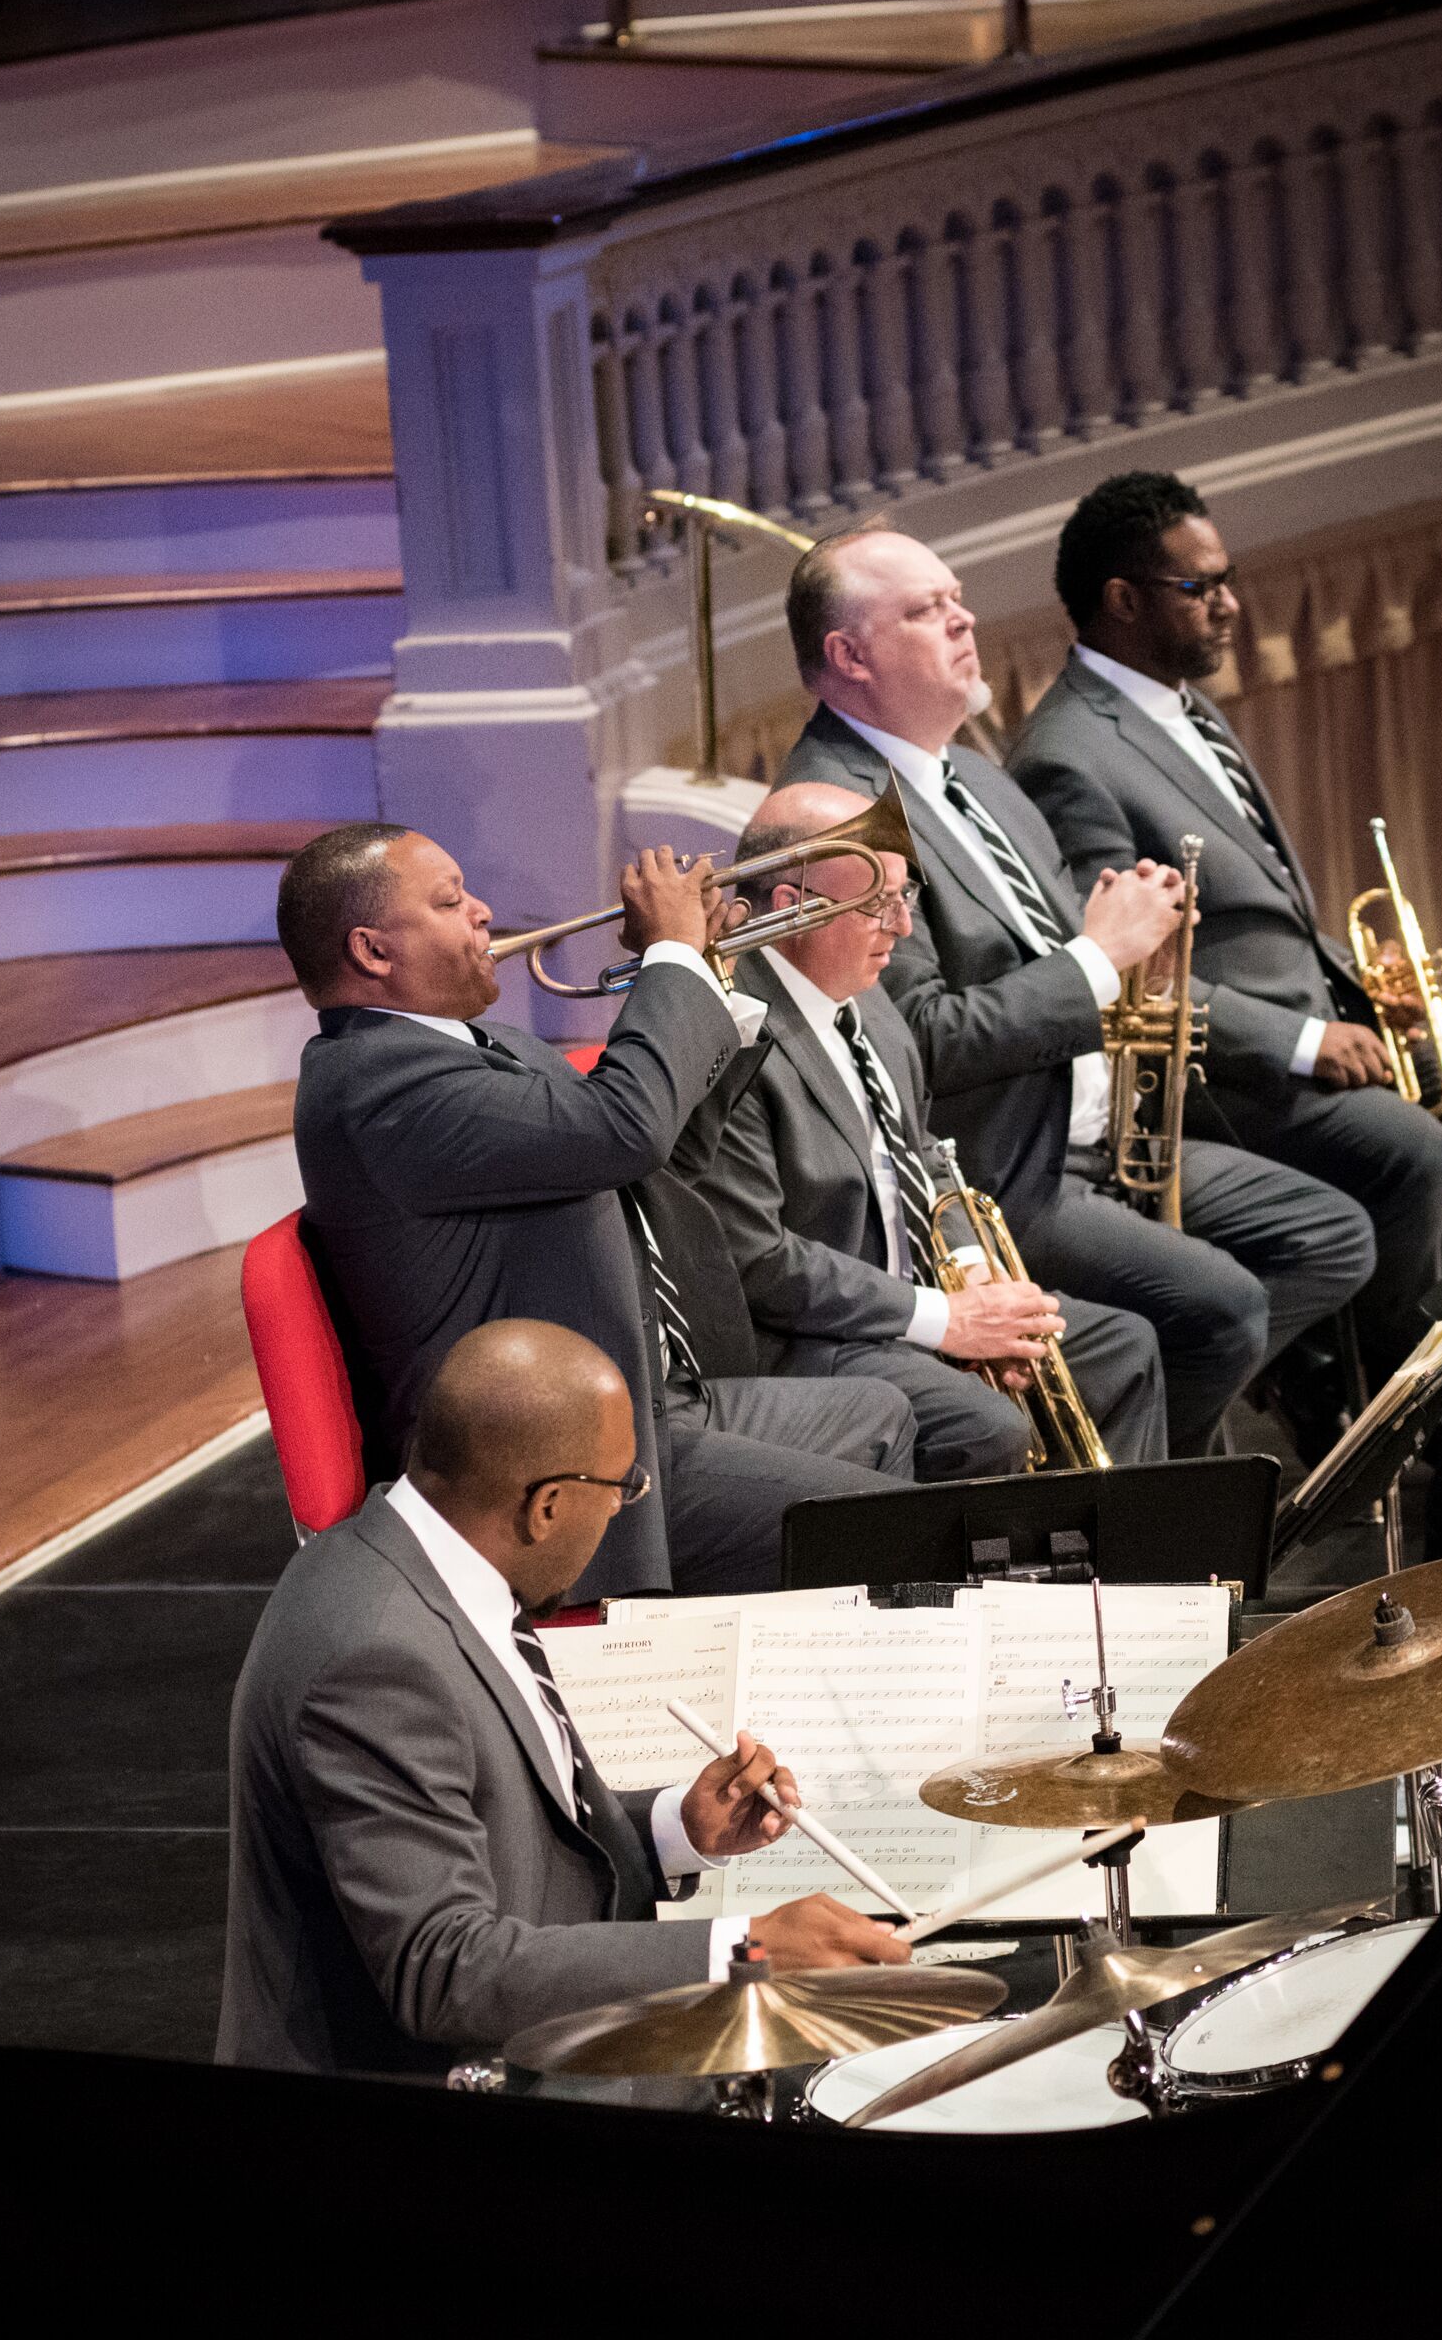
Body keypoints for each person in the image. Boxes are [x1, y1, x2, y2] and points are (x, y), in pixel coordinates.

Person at [773, 527, 1377, 1455]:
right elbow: (924, 1038)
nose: (963, 618)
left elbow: (1076, 937)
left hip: (1102, 1132)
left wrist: (1141, 933)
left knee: (1329, 1233)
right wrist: (1100, 958)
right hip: (1007, 1171)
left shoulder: (974, 773)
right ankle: (1144, 1502)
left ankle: (1159, 1470)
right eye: (926, 611)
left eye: (956, 596)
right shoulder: (836, 814)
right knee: (1221, 1307)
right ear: (850, 656)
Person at [217, 1320, 909, 2078]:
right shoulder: (373, 1658)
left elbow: (513, 1834)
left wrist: (676, 1826)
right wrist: (745, 1948)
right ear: (546, 1505)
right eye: (621, 1488)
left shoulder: (440, 1566)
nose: (621, 1510)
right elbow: (442, 1969)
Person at [278, 822, 917, 1601]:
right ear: (373, 951)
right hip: (543, 1472)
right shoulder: (381, 1087)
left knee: (886, 1416)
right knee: (888, 1527)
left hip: (645, 1403)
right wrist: (673, 958)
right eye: (450, 901)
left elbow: (659, 1155)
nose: (482, 911)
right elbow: (625, 1128)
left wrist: (710, 971)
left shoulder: (483, 1047)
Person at [1007, 470, 1442, 1378]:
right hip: (1226, 1076)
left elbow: (1258, 908)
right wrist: (1302, 1039)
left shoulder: (1188, 708)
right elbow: (1127, 971)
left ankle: (1431, 1341)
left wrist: (1361, 985)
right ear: (1122, 600)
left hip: (1315, 1016)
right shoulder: (1065, 755)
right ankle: (1392, 1389)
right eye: (1201, 588)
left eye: (1226, 578)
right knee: (1412, 1149)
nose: (1228, 604)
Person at [677, 782, 1170, 1475]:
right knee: (987, 1426)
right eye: (879, 903)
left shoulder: (874, 1005)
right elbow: (760, 1262)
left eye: (904, 897)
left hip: (909, 1305)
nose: (903, 929)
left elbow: (926, 1162)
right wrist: (944, 1320)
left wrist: (971, 1279)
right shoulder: (730, 1035)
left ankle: (1112, 1569)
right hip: (808, 1334)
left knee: (1123, 1348)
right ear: (793, 909)